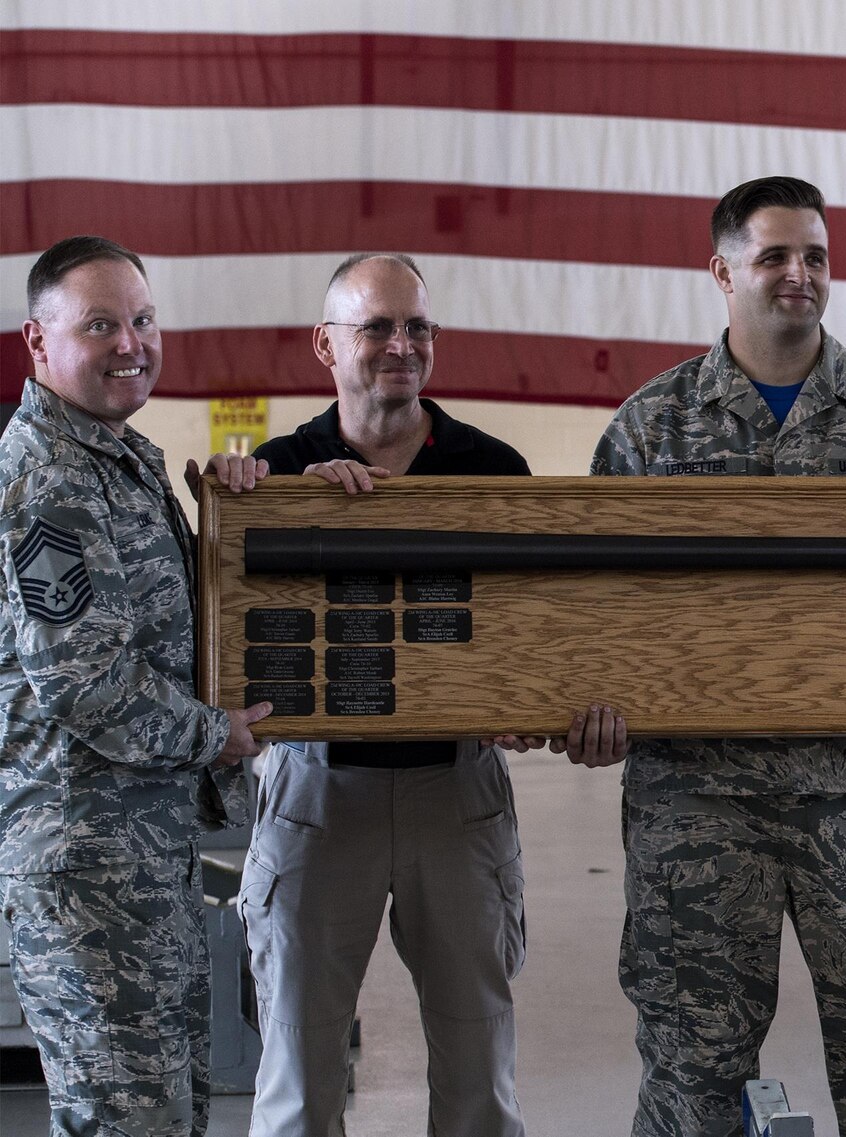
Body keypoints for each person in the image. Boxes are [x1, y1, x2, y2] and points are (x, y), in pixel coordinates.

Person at [588, 175, 846, 1137]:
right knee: (693, 1074)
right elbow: (598, 610)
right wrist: (595, 703)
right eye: (774, 256)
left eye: (816, 256)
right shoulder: (650, 428)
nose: (800, 274)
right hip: (697, 802)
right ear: (722, 272)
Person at [224, 253, 535, 1136]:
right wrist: (283, 510)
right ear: (326, 345)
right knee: (297, 1080)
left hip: (459, 794)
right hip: (317, 797)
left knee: (479, 1079)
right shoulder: (278, 470)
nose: (402, 345)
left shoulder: (495, 469)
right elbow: (230, 623)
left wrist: (541, 707)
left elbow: (531, 632)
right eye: (377, 328)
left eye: (418, 327)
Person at [0, 235, 269, 1135]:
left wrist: (230, 506)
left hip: (142, 855)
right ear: (39, 341)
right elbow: (86, 683)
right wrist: (217, 734)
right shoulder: (50, 479)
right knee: (128, 1120)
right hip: (88, 869)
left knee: (165, 1114)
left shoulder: (116, 458)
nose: (131, 344)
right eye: (100, 325)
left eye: (144, 320)